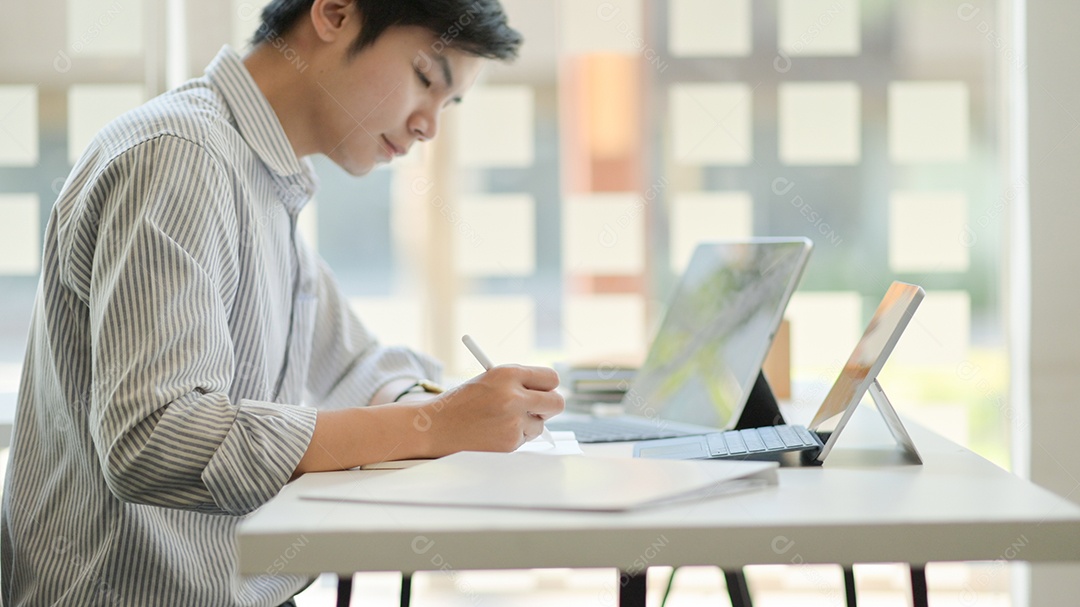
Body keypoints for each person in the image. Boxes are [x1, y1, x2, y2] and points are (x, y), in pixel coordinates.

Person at [1, 0, 563, 604]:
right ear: (334, 13)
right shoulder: (180, 159)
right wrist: (437, 425)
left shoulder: (261, 180)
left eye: (448, 105)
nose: (429, 125)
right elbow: (156, 439)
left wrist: (451, 411)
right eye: (426, 78)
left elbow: (354, 366)